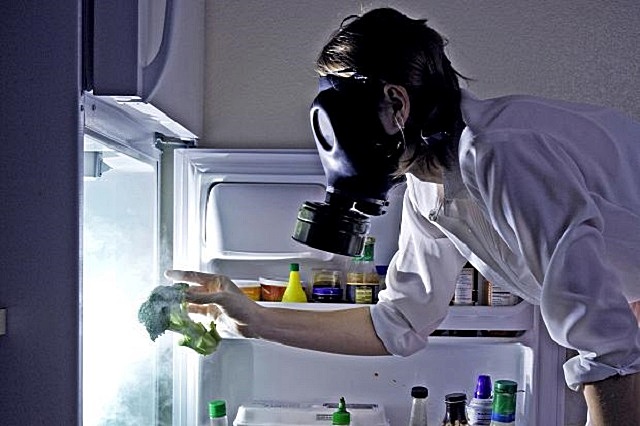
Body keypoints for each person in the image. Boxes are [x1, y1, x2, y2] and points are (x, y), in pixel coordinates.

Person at [166, 7, 640, 425]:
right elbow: (399, 323)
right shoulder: (428, 186)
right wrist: (254, 320)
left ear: (397, 103)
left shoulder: (500, 151)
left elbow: (606, 348)